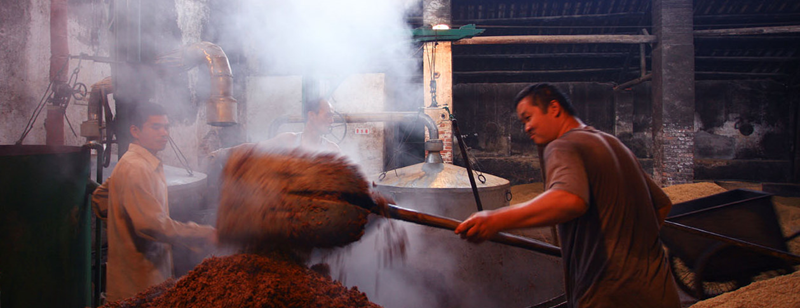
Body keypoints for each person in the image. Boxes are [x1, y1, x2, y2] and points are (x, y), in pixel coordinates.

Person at [454, 84, 680, 308]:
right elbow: (661, 206)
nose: (527, 128)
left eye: (528, 117)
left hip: (611, 295)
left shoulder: (563, 145)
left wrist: (495, 219)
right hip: (659, 292)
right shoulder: (614, 144)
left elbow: (569, 200)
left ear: (554, 108)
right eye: (523, 122)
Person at [92, 103, 216, 301]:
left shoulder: (136, 162)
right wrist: (202, 233)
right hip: (138, 285)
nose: (164, 133)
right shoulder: (136, 168)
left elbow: (99, 198)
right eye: (156, 127)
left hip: (145, 277)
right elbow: (150, 225)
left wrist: (121, 224)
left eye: (166, 127)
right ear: (135, 131)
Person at [260, 97, 340, 153]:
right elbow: (255, 149)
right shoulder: (287, 141)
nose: (332, 120)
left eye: (332, 116)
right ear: (312, 115)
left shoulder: (332, 150)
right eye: (328, 115)